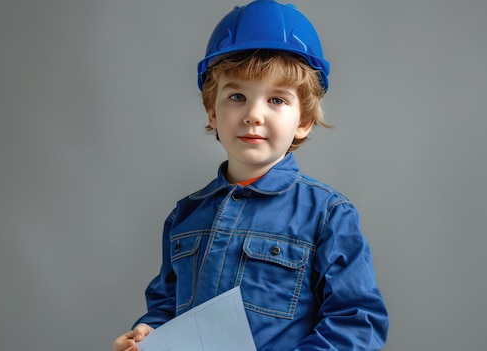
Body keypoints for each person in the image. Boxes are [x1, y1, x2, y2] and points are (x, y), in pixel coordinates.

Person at [112, 1, 389, 350]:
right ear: (212, 112)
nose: (253, 115)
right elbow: (166, 307)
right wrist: (147, 334)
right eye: (237, 96)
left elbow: (356, 322)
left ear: (302, 121)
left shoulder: (328, 215)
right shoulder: (184, 216)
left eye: (276, 100)